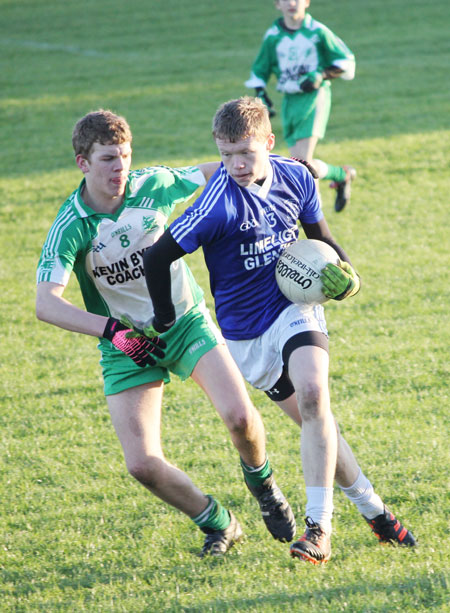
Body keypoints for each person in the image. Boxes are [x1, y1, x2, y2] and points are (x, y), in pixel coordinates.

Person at [143, 97, 417, 565]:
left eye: (246, 153)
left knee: (314, 396)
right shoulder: (216, 203)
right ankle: (376, 513)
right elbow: (157, 256)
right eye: (226, 154)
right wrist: (164, 318)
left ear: (269, 143)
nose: (235, 165)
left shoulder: (295, 176)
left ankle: (318, 530)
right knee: (318, 422)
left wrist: (345, 271)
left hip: (293, 305)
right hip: (247, 335)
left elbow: (320, 235)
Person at [35, 109, 297, 559]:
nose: (120, 169)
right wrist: (113, 332)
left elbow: (217, 168)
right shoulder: (71, 225)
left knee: (240, 417)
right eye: (107, 160)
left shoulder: (151, 185)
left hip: (185, 322)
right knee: (141, 464)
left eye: (125, 157)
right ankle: (219, 523)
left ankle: (264, 484)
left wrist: (284, 166)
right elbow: (45, 303)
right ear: (82, 163)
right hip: (126, 345)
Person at [245, 0, 356, 212]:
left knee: (302, 163)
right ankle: (342, 175)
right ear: (277, 4)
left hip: (314, 97)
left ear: (307, 2)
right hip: (289, 100)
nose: (291, 3)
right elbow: (260, 69)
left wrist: (321, 74)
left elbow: (346, 60)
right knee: (299, 162)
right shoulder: (273, 36)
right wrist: (261, 93)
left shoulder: (317, 31)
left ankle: (312, 217)